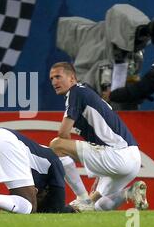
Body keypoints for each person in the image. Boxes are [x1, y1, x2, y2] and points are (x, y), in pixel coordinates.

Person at [48, 62, 148, 211]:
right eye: (51, 79)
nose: (54, 81)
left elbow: (63, 133)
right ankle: (130, 193)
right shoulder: (87, 91)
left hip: (116, 155)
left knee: (57, 145)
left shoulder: (76, 92)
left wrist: (70, 154)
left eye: (58, 76)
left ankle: (81, 197)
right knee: (97, 206)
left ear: (72, 78)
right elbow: (100, 139)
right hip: (131, 158)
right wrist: (99, 171)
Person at [0, 128, 76, 214]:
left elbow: (14, 201)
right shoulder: (55, 161)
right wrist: (69, 210)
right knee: (29, 205)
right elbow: (57, 205)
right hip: (6, 141)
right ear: (46, 192)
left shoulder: (38, 158)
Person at [57, 4, 150, 110]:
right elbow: (80, 80)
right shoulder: (96, 43)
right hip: (91, 101)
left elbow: (132, 76)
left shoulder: (135, 52)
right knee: (105, 70)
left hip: (117, 108)